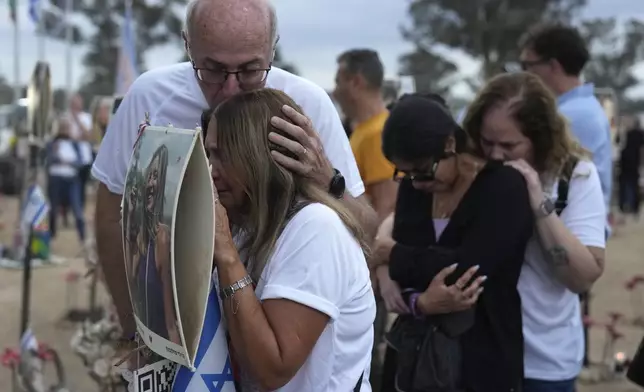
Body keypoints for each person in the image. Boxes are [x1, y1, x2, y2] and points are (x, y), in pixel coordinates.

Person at [92, 0, 377, 342]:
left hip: (274, 329)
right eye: (211, 70)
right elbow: (112, 218)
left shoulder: (307, 106)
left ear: (272, 48)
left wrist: (327, 180)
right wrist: (134, 330)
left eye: (250, 71)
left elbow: (364, 230)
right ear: (188, 45)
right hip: (174, 328)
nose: (229, 90)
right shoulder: (150, 98)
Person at [206, 88, 375, 391]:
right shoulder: (249, 226)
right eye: (208, 154)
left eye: (221, 155)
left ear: (257, 157)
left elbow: (272, 368)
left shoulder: (316, 228)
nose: (210, 170)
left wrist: (226, 254)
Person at [370, 93, 535, 392]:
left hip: (482, 359)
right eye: (404, 173)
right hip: (414, 361)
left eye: (423, 170)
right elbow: (410, 273)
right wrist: (414, 294)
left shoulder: (502, 188)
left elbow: (467, 271)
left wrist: (392, 254)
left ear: (449, 144)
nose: (417, 182)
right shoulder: (413, 188)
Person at [463, 71, 606, 392]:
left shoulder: (574, 176)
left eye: (509, 145)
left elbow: (582, 277)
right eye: (487, 142)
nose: (496, 155)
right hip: (477, 355)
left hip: (544, 363)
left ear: (540, 138)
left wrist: (539, 205)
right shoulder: (469, 166)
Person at [332, 48, 398, 384]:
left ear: (355, 81)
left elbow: (386, 207)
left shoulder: (377, 135)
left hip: (366, 269)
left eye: (338, 79)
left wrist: (371, 268)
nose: (335, 88)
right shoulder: (364, 131)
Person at [518, 23, 612, 230]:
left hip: (569, 229)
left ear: (553, 66)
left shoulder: (570, 116)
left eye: (527, 65)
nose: (523, 74)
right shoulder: (584, 108)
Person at [123, 144, 180, 345]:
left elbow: (169, 314)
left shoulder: (162, 237)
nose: (151, 183)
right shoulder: (139, 234)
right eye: (149, 175)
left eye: (157, 176)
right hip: (143, 341)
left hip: (161, 347)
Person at [46, 117, 86, 244]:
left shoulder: (74, 144)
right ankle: (51, 236)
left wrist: (70, 163)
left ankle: (83, 237)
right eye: (62, 127)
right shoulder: (52, 143)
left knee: (77, 210)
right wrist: (56, 156)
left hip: (71, 179)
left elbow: (81, 162)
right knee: (53, 209)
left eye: (66, 127)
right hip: (56, 178)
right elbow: (48, 160)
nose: (64, 130)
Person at [67, 93, 94, 210]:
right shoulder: (66, 117)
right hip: (69, 159)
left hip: (84, 159)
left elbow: (88, 135)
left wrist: (77, 120)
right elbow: (65, 136)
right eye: (74, 102)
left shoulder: (86, 117)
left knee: (82, 187)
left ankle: (80, 210)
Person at [618, 117, 644, 218]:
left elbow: (619, 144)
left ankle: (623, 206)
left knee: (624, 184)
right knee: (634, 185)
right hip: (635, 163)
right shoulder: (640, 134)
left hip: (625, 161)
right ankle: (634, 207)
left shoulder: (627, 133)